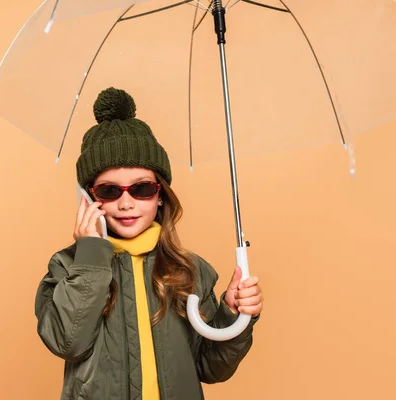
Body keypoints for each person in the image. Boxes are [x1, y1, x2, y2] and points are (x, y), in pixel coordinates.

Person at [34, 87, 263, 400]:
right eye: (110, 191)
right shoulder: (67, 267)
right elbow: (67, 342)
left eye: (141, 189)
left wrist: (233, 316)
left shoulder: (190, 270)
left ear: (160, 195)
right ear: (88, 197)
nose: (127, 204)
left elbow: (211, 368)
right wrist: (90, 258)